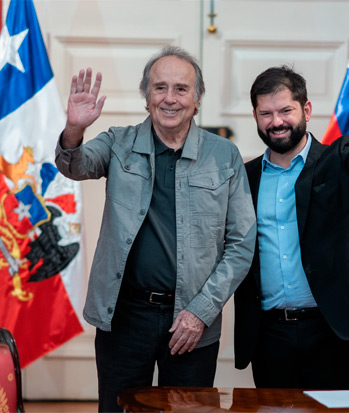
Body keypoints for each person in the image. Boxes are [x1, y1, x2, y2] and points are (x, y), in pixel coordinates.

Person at [55, 46, 256, 411]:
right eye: (159, 87)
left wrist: (201, 312)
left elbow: (241, 244)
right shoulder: (118, 142)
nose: (170, 98)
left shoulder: (224, 155)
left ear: (197, 100)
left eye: (181, 89)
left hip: (193, 321)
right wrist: (74, 129)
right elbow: (75, 166)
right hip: (125, 316)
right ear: (146, 97)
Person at [233, 65, 349, 389]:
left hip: (334, 331)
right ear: (255, 116)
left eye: (285, 110)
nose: (276, 122)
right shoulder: (244, 177)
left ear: (306, 109)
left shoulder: (338, 161)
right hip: (269, 336)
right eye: (266, 113)